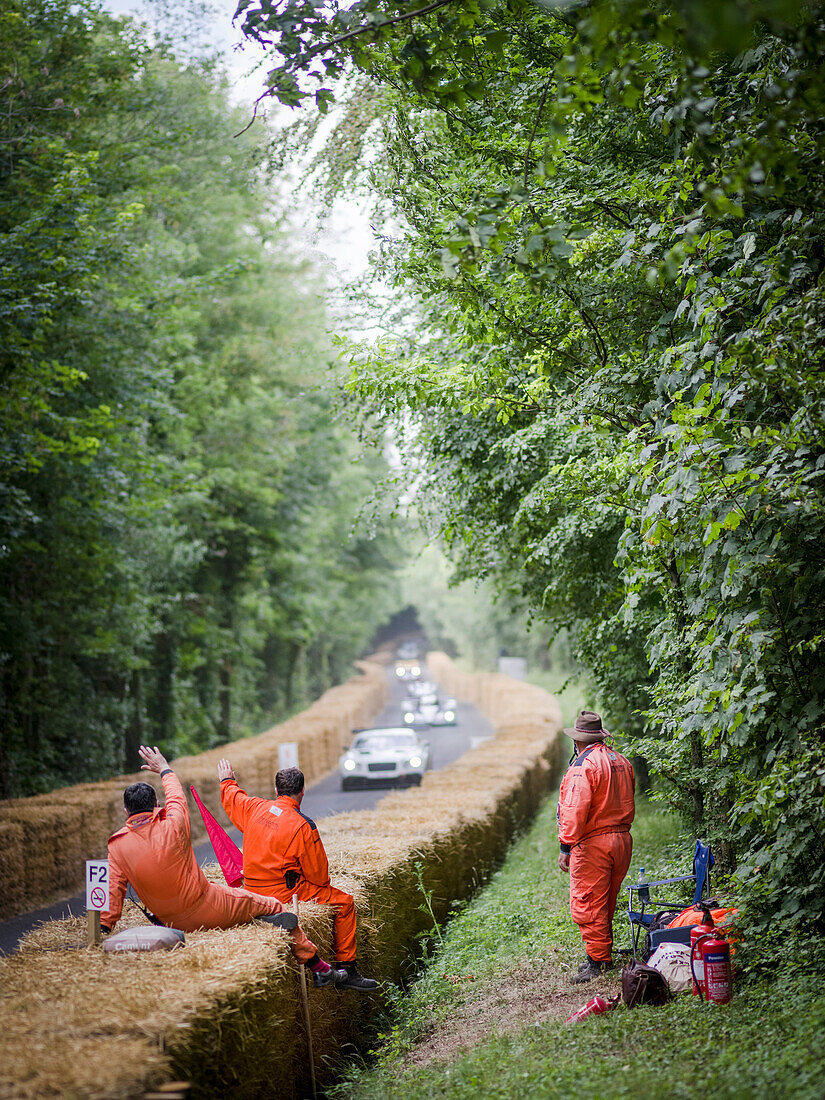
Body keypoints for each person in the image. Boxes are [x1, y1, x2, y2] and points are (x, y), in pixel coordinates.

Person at [101, 745, 344, 988]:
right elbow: (176, 796)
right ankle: (317, 966)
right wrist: (164, 768)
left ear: (125, 811)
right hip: (205, 906)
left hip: (165, 922)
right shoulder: (175, 823)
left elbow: (113, 891)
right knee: (273, 905)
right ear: (156, 805)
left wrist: (103, 927)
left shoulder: (117, 845)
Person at [218, 760, 378, 991]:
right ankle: (348, 970)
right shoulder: (303, 826)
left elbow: (233, 798)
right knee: (345, 903)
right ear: (303, 791)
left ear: (276, 791)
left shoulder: (254, 808)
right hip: (283, 893)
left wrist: (226, 780)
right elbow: (320, 877)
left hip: (250, 891)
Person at [557, 711, 635, 983]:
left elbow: (574, 809)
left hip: (593, 844)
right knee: (607, 900)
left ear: (578, 741)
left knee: (589, 902)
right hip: (622, 840)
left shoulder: (583, 765)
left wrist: (566, 847)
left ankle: (598, 962)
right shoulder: (621, 760)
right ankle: (600, 954)